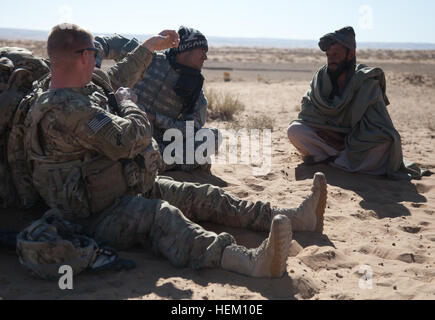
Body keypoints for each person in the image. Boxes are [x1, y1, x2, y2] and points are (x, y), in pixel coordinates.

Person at [20, 23, 328, 279]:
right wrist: (130, 105)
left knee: (201, 195)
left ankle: (296, 218)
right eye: (94, 53)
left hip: (120, 189)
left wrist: (150, 46)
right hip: (94, 215)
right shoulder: (69, 110)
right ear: (86, 57)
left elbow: (114, 78)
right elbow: (132, 138)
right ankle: (246, 261)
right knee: (162, 217)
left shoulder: (65, 87)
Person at [287, 26, 429, 180]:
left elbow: (378, 124)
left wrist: (346, 140)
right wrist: (329, 133)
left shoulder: (366, 82)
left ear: (351, 54)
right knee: (295, 129)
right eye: (328, 55)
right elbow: (308, 110)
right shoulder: (321, 78)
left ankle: (332, 159)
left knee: (387, 141)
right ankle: (339, 159)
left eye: (336, 54)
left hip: (356, 142)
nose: (331, 60)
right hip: (330, 139)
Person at [97, 27, 218, 173]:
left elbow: (192, 129)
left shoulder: (195, 90)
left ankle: (156, 164)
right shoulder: (148, 56)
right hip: (120, 132)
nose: (205, 57)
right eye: (202, 50)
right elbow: (102, 42)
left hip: (155, 146)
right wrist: (93, 70)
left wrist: (157, 119)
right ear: (187, 48)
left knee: (212, 136)